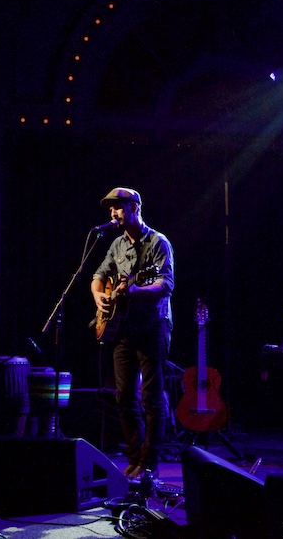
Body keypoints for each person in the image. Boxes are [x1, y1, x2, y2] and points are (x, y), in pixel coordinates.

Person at [90, 187, 175, 480]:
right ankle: (134, 457)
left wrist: (138, 290)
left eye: (119, 206)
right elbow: (98, 277)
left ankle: (149, 463)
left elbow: (165, 284)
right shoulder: (115, 245)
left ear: (135, 207)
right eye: (111, 208)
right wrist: (100, 297)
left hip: (152, 326)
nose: (114, 212)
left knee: (151, 396)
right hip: (121, 327)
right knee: (124, 395)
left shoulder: (158, 243)